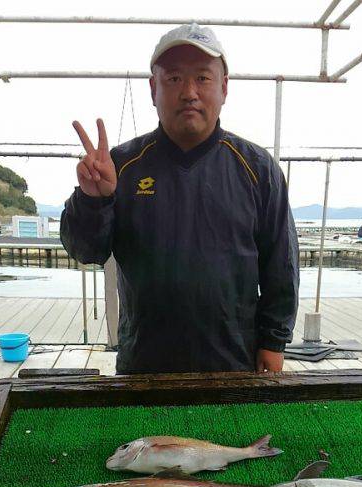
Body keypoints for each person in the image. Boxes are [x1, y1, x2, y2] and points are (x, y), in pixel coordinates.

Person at [60, 22, 299, 374]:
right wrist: (94, 200)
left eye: (203, 77)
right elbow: (85, 250)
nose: (189, 92)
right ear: (154, 88)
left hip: (234, 365)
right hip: (144, 366)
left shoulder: (258, 169)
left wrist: (274, 342)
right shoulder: (120, 167)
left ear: (224, 87)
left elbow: (281, 265)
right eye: (174, 79)